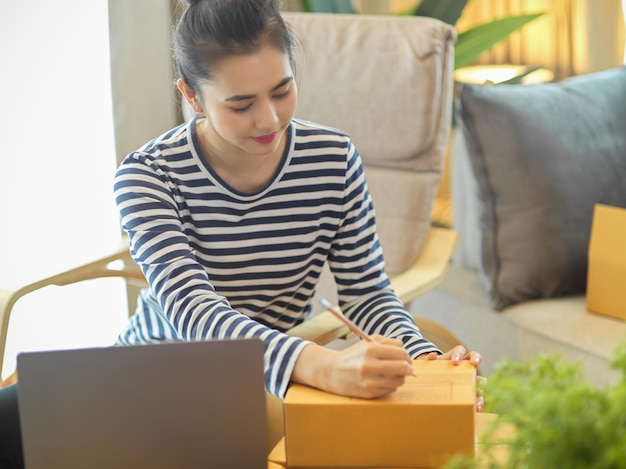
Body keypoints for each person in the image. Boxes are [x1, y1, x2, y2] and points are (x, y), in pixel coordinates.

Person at [0, 0, 482, 466]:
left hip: (257, 390)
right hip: (147, 377)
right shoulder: (148, 177)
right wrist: (323, 364)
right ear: (191, 95)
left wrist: (428, 361)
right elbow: (196, 316)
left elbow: (367, 294)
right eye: (241, 104)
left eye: (281, 89)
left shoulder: (333, 159)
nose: (270, 119)